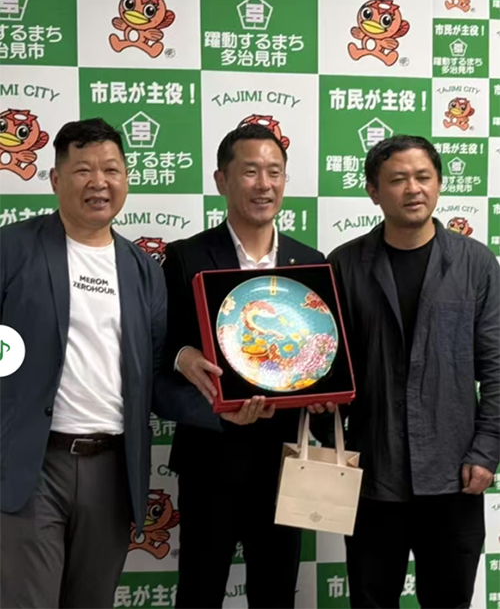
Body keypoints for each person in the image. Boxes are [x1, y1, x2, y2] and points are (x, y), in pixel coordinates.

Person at [0, 118, 174, 608]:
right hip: (32, 465)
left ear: (126, 179)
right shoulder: (12, 249)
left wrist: (223, 405)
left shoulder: (142, 269)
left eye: (111, 170)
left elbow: (154, 375)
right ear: (56, 180)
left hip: (112, 469)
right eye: (83, 170)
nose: (99, 182)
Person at [326, 135, 499, 609]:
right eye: (397, 179)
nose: (413, 188)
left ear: (439, 184)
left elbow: (496, 367)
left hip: (456, 473)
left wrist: (486, 451)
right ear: (373, 191)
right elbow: (329, 365)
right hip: (372, 471)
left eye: (423, 177)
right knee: (370, 599)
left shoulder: (476, 263)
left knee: (449, 600)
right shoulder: (344, 264)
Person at [162, 123, 329, 608]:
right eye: (251, 171)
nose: (264, 184)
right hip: (211, 459)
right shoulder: (186, 257)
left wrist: (324, 393)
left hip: (286, 463)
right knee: (199, 591)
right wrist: (183, 357)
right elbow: (159, 353)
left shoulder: (310, 262)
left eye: (275, 172)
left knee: (276, 594)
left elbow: (325, 351)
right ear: (222, 180)